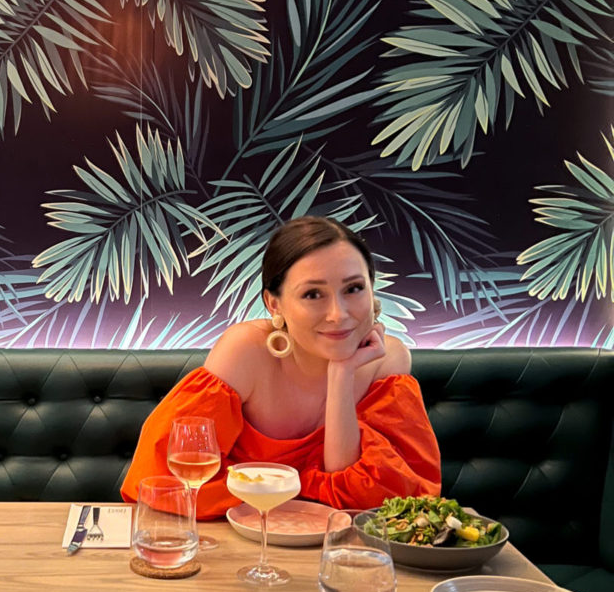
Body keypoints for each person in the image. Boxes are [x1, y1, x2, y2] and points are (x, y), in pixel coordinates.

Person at [122, 216, 440, 513]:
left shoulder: (388, 362)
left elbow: (371, 498)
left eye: (354, 289)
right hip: (234, 538)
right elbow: (162, 479)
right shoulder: (245, 352)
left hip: (333, 544)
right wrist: (294, 500)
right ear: (274, 303)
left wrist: (341, 373)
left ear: (372, 292)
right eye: (313, 294)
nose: (338, 314)